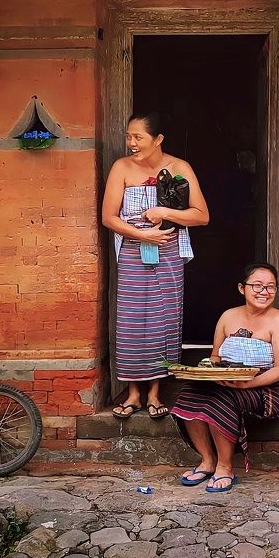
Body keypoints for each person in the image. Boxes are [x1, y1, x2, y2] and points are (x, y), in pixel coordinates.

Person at [101, 111, 209, 420]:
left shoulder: (179, 168)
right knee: (132, 321)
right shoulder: (121, 168)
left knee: (164, 319)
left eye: (138, 137)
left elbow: (201, 215)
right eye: (128, 136)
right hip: (134, 253)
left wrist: (165, 211)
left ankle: (156, 392)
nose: (131, 143)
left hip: (169, 253)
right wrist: (141, 233)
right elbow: (109, 217)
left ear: (157, 139)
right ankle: (133, 392)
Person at [171, 262, 279, 492]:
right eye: (258, 286)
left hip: (268, 389)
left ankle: (225, 467)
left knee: (221, 399)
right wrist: (207, 372)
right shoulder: (228, 316)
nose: (264, 292)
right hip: (229, 380)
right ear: (242, 288)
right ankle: (207, 459)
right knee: (189, 393)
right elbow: (215, 356)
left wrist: (247, 384)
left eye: (270, 287)